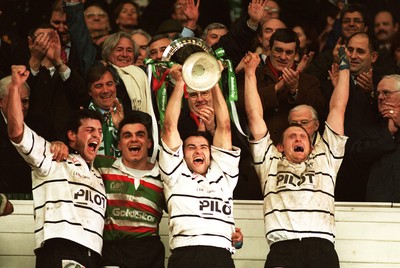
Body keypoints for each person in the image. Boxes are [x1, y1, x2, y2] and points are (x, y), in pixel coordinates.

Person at [243, 45, 350, 267]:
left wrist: (345, 65)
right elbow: (254, 114)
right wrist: (251, 73)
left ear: (312, 145)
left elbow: (338, 108)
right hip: (283, 248)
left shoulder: (325, 157)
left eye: (302, 135)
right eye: (291, 135)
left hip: (321, 247)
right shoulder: (270, 161)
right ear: (280, 146)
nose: (298, 138)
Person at [7, 65, 106, 268]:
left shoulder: (99, 173)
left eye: (99, 131)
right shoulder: (53, 157)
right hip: (61, 247)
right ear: (71, 135)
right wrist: (15, 87)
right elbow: (17, 132)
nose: (96, 134)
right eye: (89, 130)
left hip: (93, 254)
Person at [159, 64, 241, 267]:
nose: (198, 151)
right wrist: (179, 82)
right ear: (182, 155)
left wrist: (214, 80)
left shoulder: (224, 174)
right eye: (191, 147)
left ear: (211, 153)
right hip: (185, 255)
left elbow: (225, 126)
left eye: (204, 147)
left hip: (221, 256)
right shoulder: (175, 175)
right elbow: (169, 126)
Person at [95, 111, 166, 267]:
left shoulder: (164, 176)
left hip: (149, 251)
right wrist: (60, 144)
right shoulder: (102, 165)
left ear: (149, 142)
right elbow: (80, 151)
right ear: (119, 144)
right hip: (112, 250)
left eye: (140, 135)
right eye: (127, 135)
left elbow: (185, 208)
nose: (134, 139)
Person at [238, 28, 325, 145]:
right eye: (278, 50)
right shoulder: (252, 74)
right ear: (269, 50)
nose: (283, 57)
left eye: (289, 52)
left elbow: (319, 110)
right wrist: (278, 86)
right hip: (259, 151)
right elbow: (240, 105)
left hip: (298, 152)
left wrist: (295, 90)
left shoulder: (309, 80)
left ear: (295, 54)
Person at [334, 32, 380, 202]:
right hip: (338, 169)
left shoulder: (383, 82)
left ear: (373, 57)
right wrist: (337, 88)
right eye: (350, 50)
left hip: (371, 170)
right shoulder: (331, 78)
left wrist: (372, 94)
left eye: (360, 51)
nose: (353, 56)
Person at [25, 24, 89, 142]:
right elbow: (21, 95)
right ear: (31, 43)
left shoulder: (67, 72)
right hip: (31, 142)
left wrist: (58, 61)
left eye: (50, 37)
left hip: (65, 143)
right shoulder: (22, 72)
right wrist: (35, 60)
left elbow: (82, 97)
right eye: (41, 37)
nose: (46, 42)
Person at [350, 74, 400, 202]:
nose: (381, 97)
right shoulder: (369, 123)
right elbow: (357, 156)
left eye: (386, 93)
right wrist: (388, 134)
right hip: (377, 207)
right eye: (378, 94)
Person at [86, 64, 123, 157]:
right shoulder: (83, 119)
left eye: (109, 84)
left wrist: (121, 127)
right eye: (99, 86)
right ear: (89, 91)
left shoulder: (130, 115)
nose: (105, 90)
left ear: (116, 86)